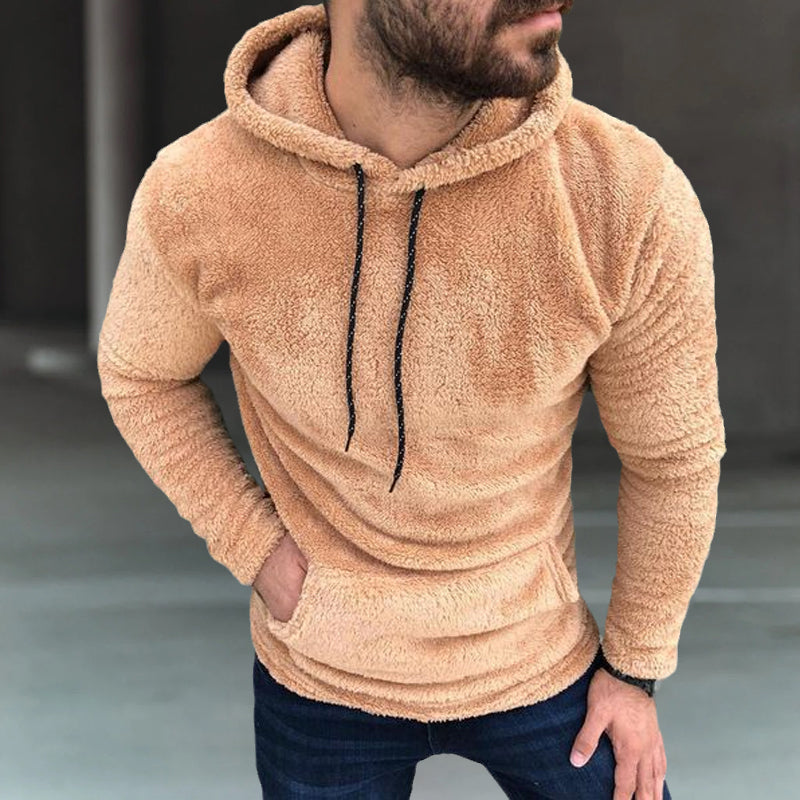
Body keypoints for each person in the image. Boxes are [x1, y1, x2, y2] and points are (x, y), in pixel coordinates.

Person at [97, 1, 726, 798]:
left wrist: (635, 670)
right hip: (322, 674)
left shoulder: (623, 191)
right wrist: (255, 549)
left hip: (539, 663)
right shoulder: (203, 187)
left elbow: (673, 456)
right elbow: (142, 375)